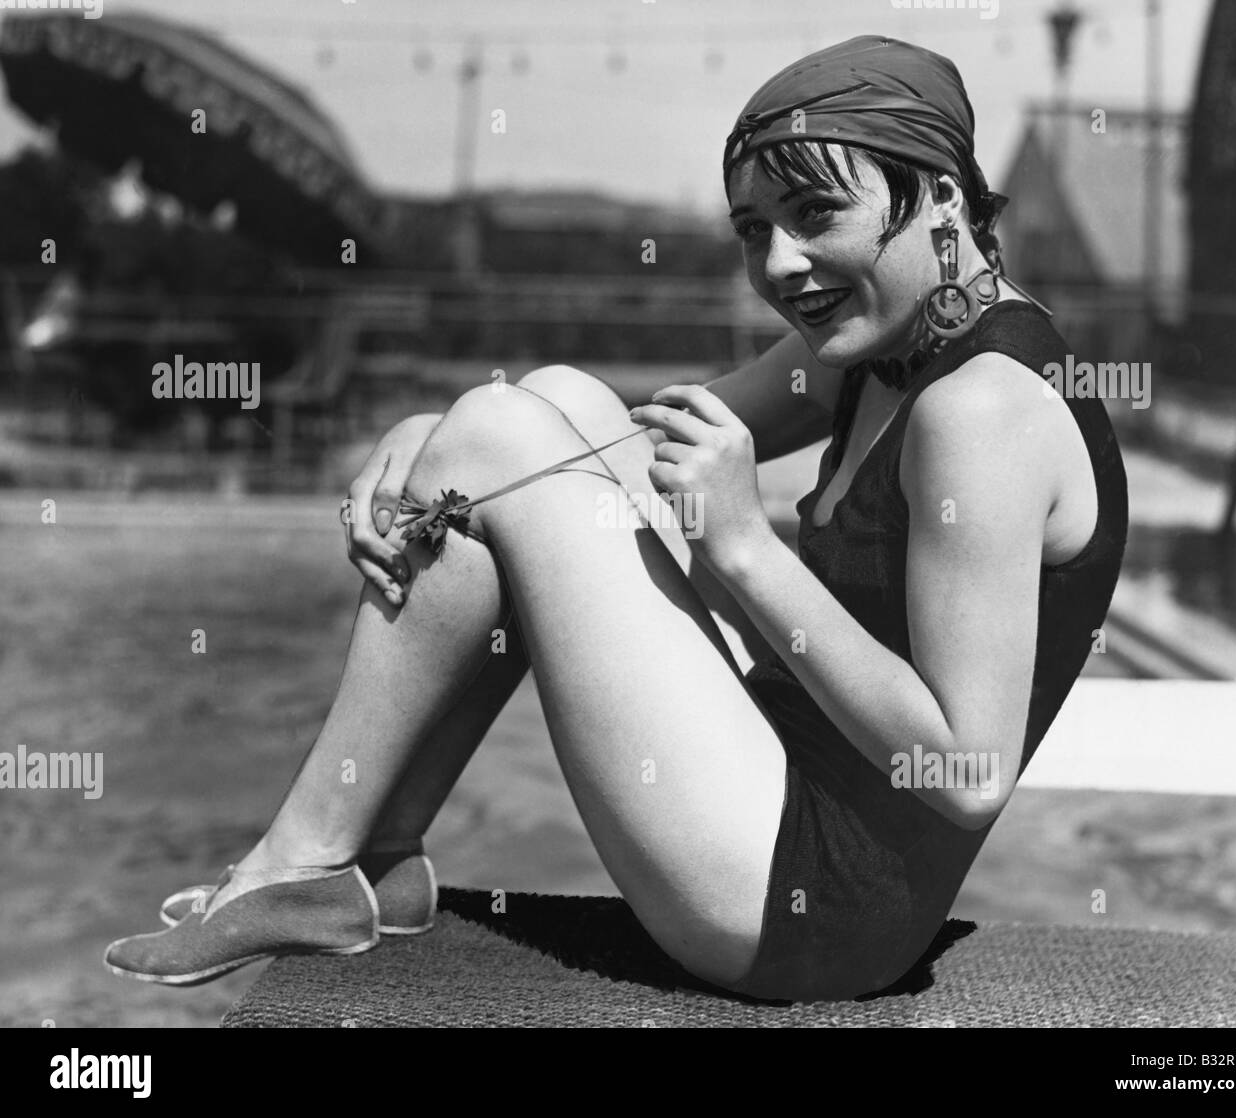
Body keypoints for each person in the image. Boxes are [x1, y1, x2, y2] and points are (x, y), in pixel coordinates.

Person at [104, 35, 1127, 1002]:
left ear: (940, 195)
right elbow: (609, 439)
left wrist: (743, 547)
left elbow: (967, 770)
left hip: (805, 902)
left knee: (507, 432)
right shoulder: (876, 346)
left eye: (815, 215)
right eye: (753, 232)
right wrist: (426, 436)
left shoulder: (979, 410)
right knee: (543, 399)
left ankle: (301, 860)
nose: (778, 265)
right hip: (765, 782)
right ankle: (376, 857)